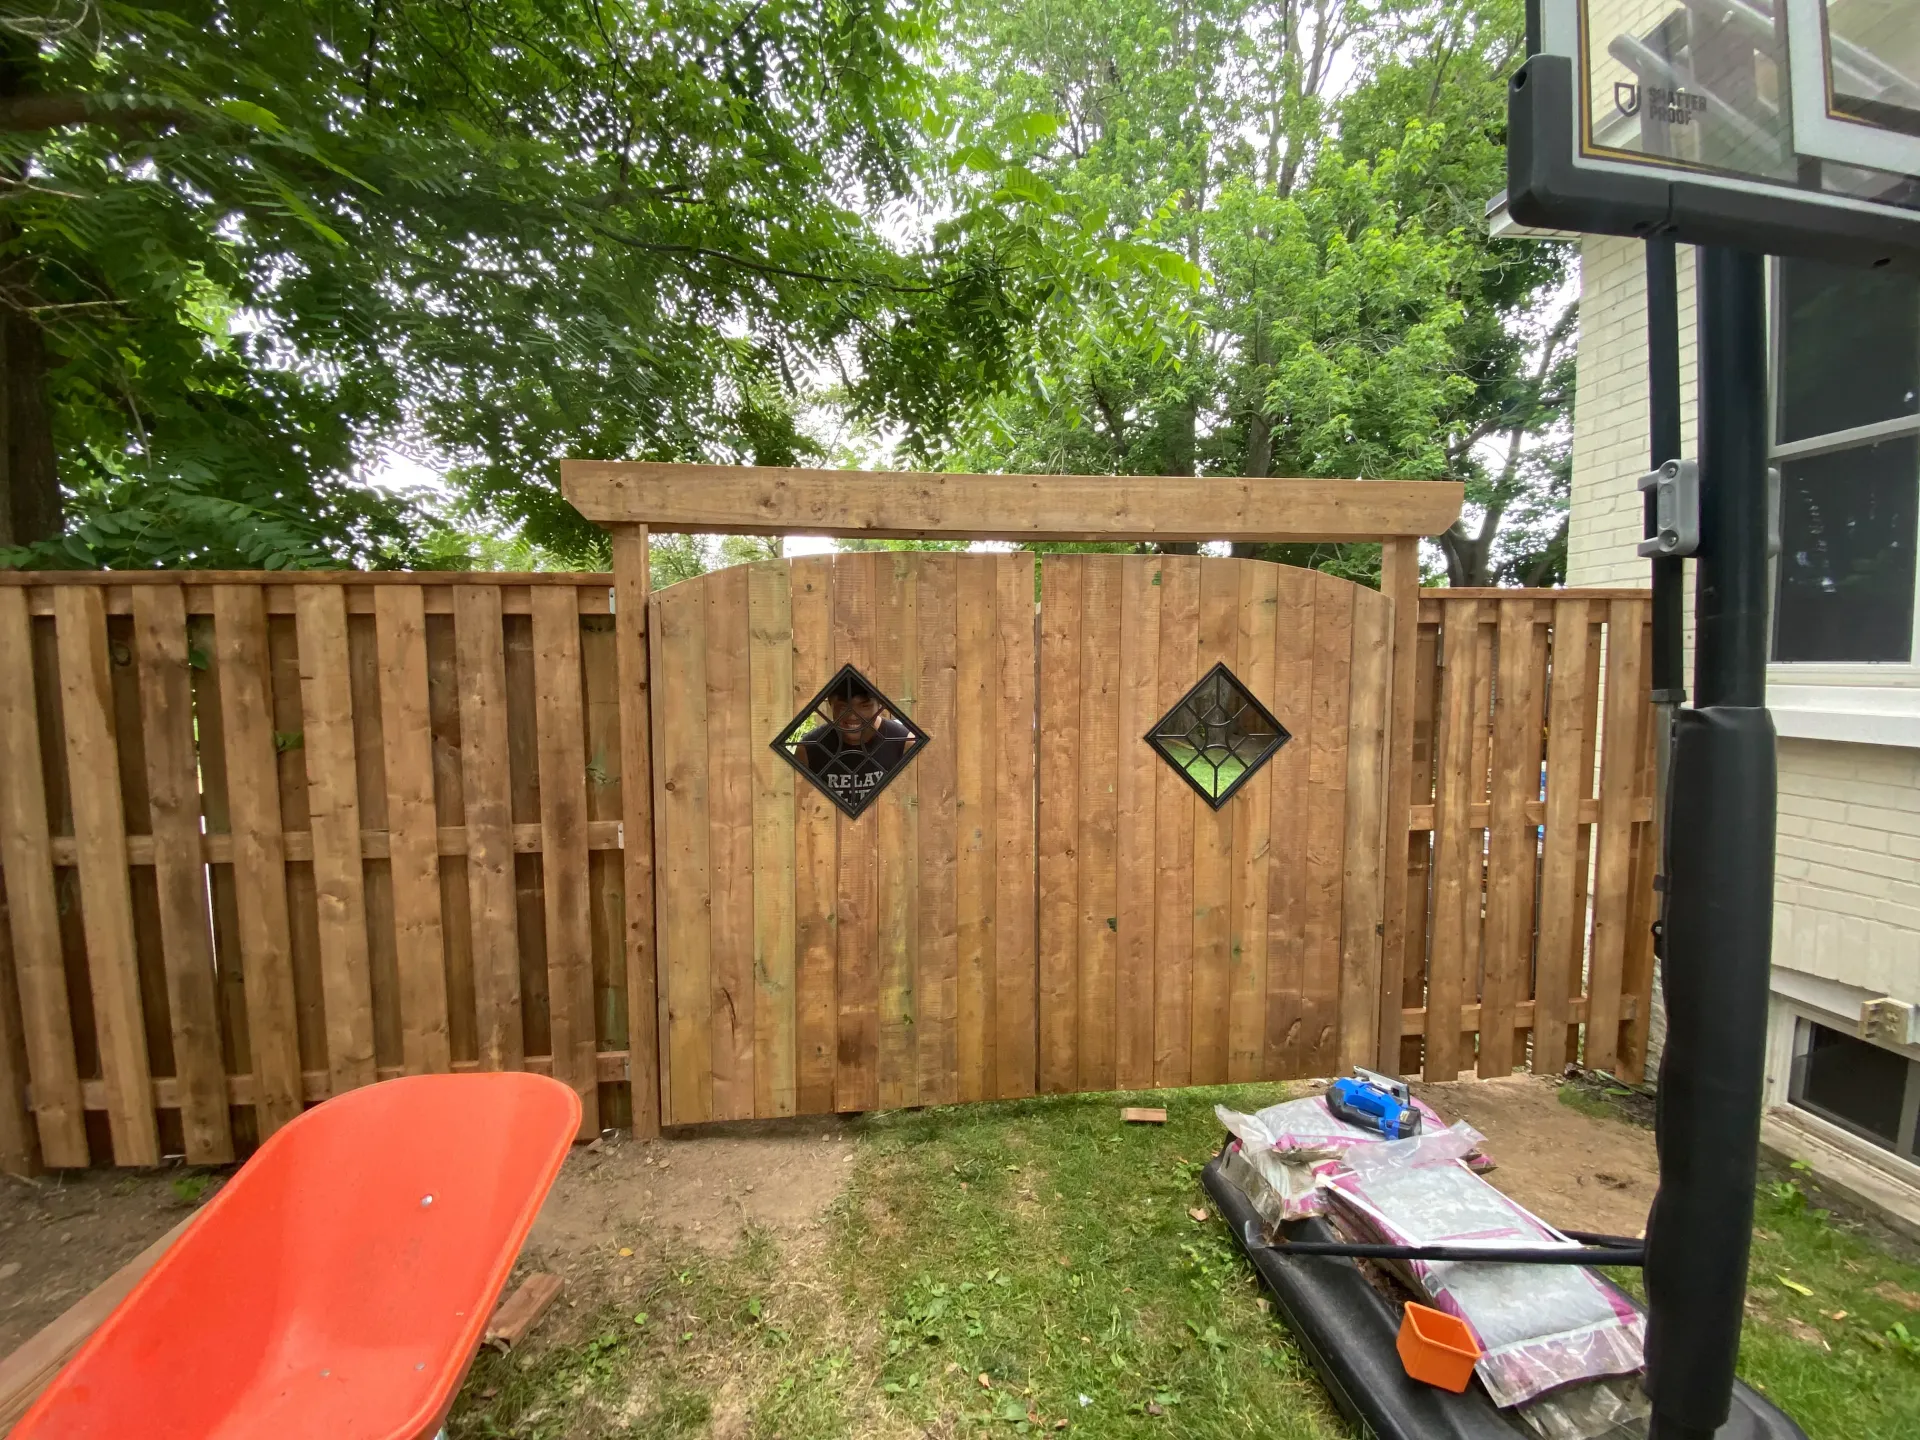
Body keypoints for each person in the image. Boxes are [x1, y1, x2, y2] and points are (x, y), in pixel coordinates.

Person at [793, 672, 915, 811]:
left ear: (880, 704)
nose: (853, 716)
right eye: (844, 706)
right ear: (830, 703)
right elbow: (799, 808)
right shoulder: (809, 749)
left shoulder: (905, 743)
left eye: (864, 706)